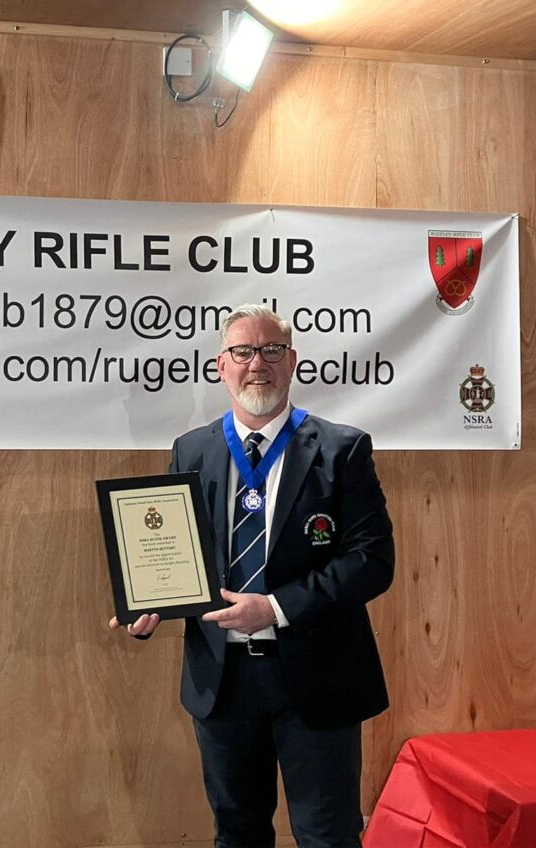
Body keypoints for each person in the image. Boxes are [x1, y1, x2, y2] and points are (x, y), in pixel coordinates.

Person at [110, 303, 394, 848]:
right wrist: (150, 604)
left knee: (328, 835)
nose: (256, 363)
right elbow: (177, 555)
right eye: (242, 352)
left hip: (317, 676)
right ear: (222, 366)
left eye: (271, 350)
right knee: (236, 833)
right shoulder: (191, 449)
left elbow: (371, 562)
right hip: (223, 682)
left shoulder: (341, 449)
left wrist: (275, 607)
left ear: (291, 363)